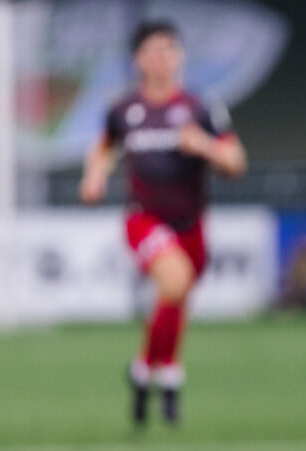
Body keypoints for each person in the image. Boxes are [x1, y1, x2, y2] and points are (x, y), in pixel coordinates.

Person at [80, 19, 247, 426]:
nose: (160, 58)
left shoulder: (200, 108)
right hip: (144, 218)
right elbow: (102, 148)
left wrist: (204, 145)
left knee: (174, 300)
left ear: (180, 56)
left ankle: (147, 372)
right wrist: (95, 175)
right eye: (152, 51)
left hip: (191, 221)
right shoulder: (124, 110)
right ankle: (169, 375)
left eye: (168, 50)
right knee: (174, 282)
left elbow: (235, 162)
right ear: (138, 59)